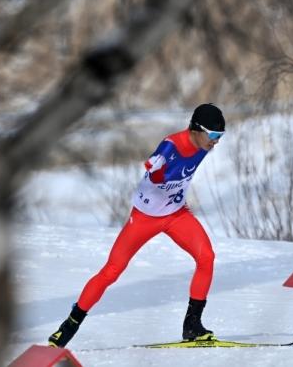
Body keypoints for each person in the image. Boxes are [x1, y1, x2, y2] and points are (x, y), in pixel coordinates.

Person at [48, 103, 225, 347]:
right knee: (111, 271)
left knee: (206, 257)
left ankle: (192, 326)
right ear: (196, 129)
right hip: (144, 219)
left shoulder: (203, 145)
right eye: (214, 136)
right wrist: (156, 171)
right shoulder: (171, 146)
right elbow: (156, 172)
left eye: (221, 137)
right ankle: (68, 326)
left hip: (176, 215)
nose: (216, 142)